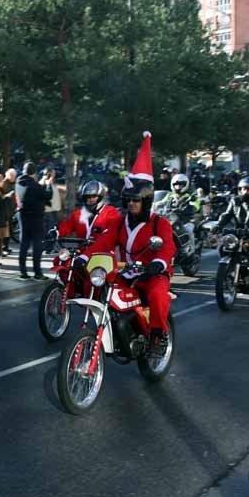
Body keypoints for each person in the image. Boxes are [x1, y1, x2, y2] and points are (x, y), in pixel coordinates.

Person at [77, 132, 175, 353]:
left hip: (153, 273)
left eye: (136, 200)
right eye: (128, 200)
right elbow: (103, 242)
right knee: (100, 286)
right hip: (127, 273)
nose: (131, 204)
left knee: (158, 295)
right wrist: (84, 256)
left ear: (146, 201)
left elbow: (168, 247)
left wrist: (158, 263)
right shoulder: (120, 223)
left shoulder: (160, 223)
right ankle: (111, 328)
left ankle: (157, 337)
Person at [15, 162, 51, 280]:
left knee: (24, 244)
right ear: (34, 172)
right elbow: (47, 195)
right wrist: (48, 184)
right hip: (35, 218)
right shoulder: (35, 186)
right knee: (37, 245)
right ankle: (37, 272)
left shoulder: (18, 182)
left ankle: (23, 272)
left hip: (22, 215)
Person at [40, 167, 63, 252]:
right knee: (49, 230)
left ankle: (51, 247)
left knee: (53, 229)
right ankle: (48, 248)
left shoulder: (51, 183)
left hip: (54, 210)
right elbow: (45, 196)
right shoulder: (45, 183)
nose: (54, 175)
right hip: (48, 210)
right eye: (53, 173)